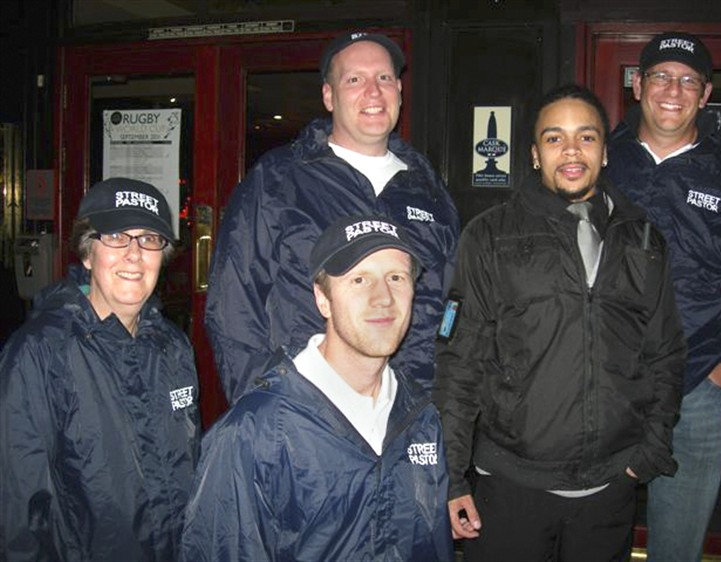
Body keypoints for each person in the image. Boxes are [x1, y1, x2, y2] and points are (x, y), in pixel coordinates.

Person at [433, 84, 687, 561]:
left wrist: (649, 452)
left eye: (586, 137)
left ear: (605, 152)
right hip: (510, 488)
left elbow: (666, 353)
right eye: (554, 138)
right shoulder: (489, 236)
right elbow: (459, 364)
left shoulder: (644, 237)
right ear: (533, 154)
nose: (571, 150)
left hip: (610, 488)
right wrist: (451, 478)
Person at [180, 214, 453, 561]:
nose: (383, 298)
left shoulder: (420, 419)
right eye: (359, 280)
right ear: (323, 299)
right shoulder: (254, 433)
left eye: (396, 277)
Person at [206, 31, 460, 403]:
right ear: (329, 95)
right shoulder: (279, 179)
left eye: (384, 78)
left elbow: (450, 311)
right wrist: (266, 411)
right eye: (354, 79)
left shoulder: (428, 190)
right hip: (306, 415)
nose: (373, 92)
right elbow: (233, 305)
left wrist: (436, 412)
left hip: (406, 416)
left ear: (400, 92)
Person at [0, 178, 201, 561]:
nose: (134, 254)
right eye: (116, 237)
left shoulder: (173, 347)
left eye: (149, 239)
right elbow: (17, 518)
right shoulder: (38, 356)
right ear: (88, 254)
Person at [606, 32, 721, 561]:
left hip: (699, 389)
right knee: (592, 535)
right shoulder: (599, 158)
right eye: (661, 76)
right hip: (603, 385)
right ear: (638, 84)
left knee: (677, 546)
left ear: (706, 94)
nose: (674, 90)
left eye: (688, 80)